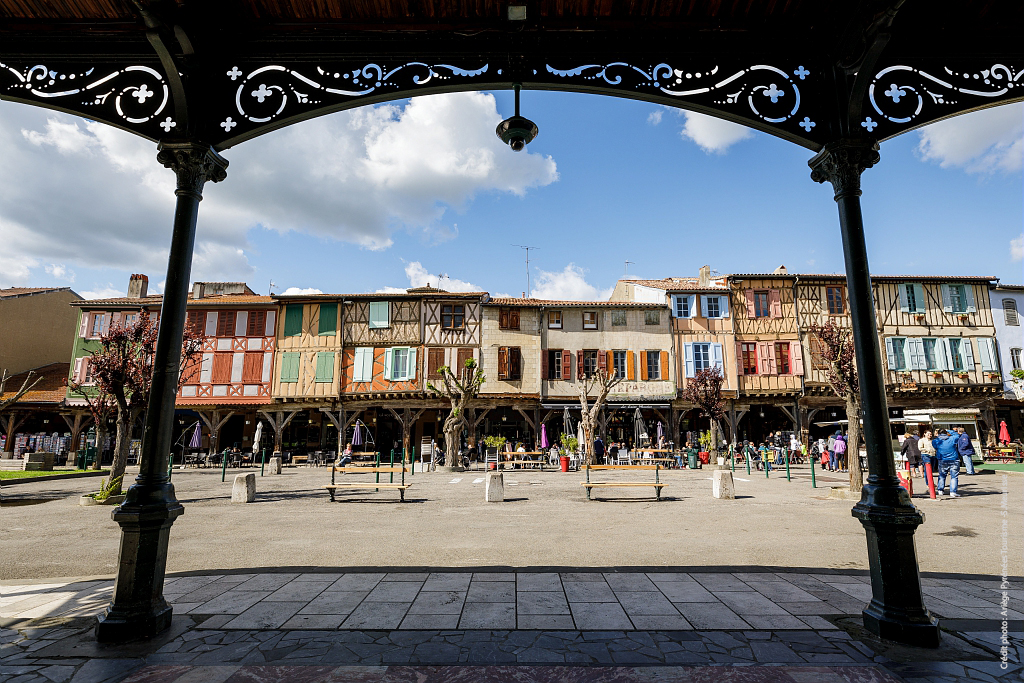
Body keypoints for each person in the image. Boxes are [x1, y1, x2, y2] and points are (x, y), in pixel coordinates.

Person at [932, 429, 961, 497]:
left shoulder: (935, 441)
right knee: (954, 476)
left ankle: (940, 490)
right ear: (946, 433)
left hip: (942, 459)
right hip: (953, 459)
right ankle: (953, 492)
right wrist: (949, 430)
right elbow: (957, 435)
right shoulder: (952, 439)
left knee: (942, 475)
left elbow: (935, 447)